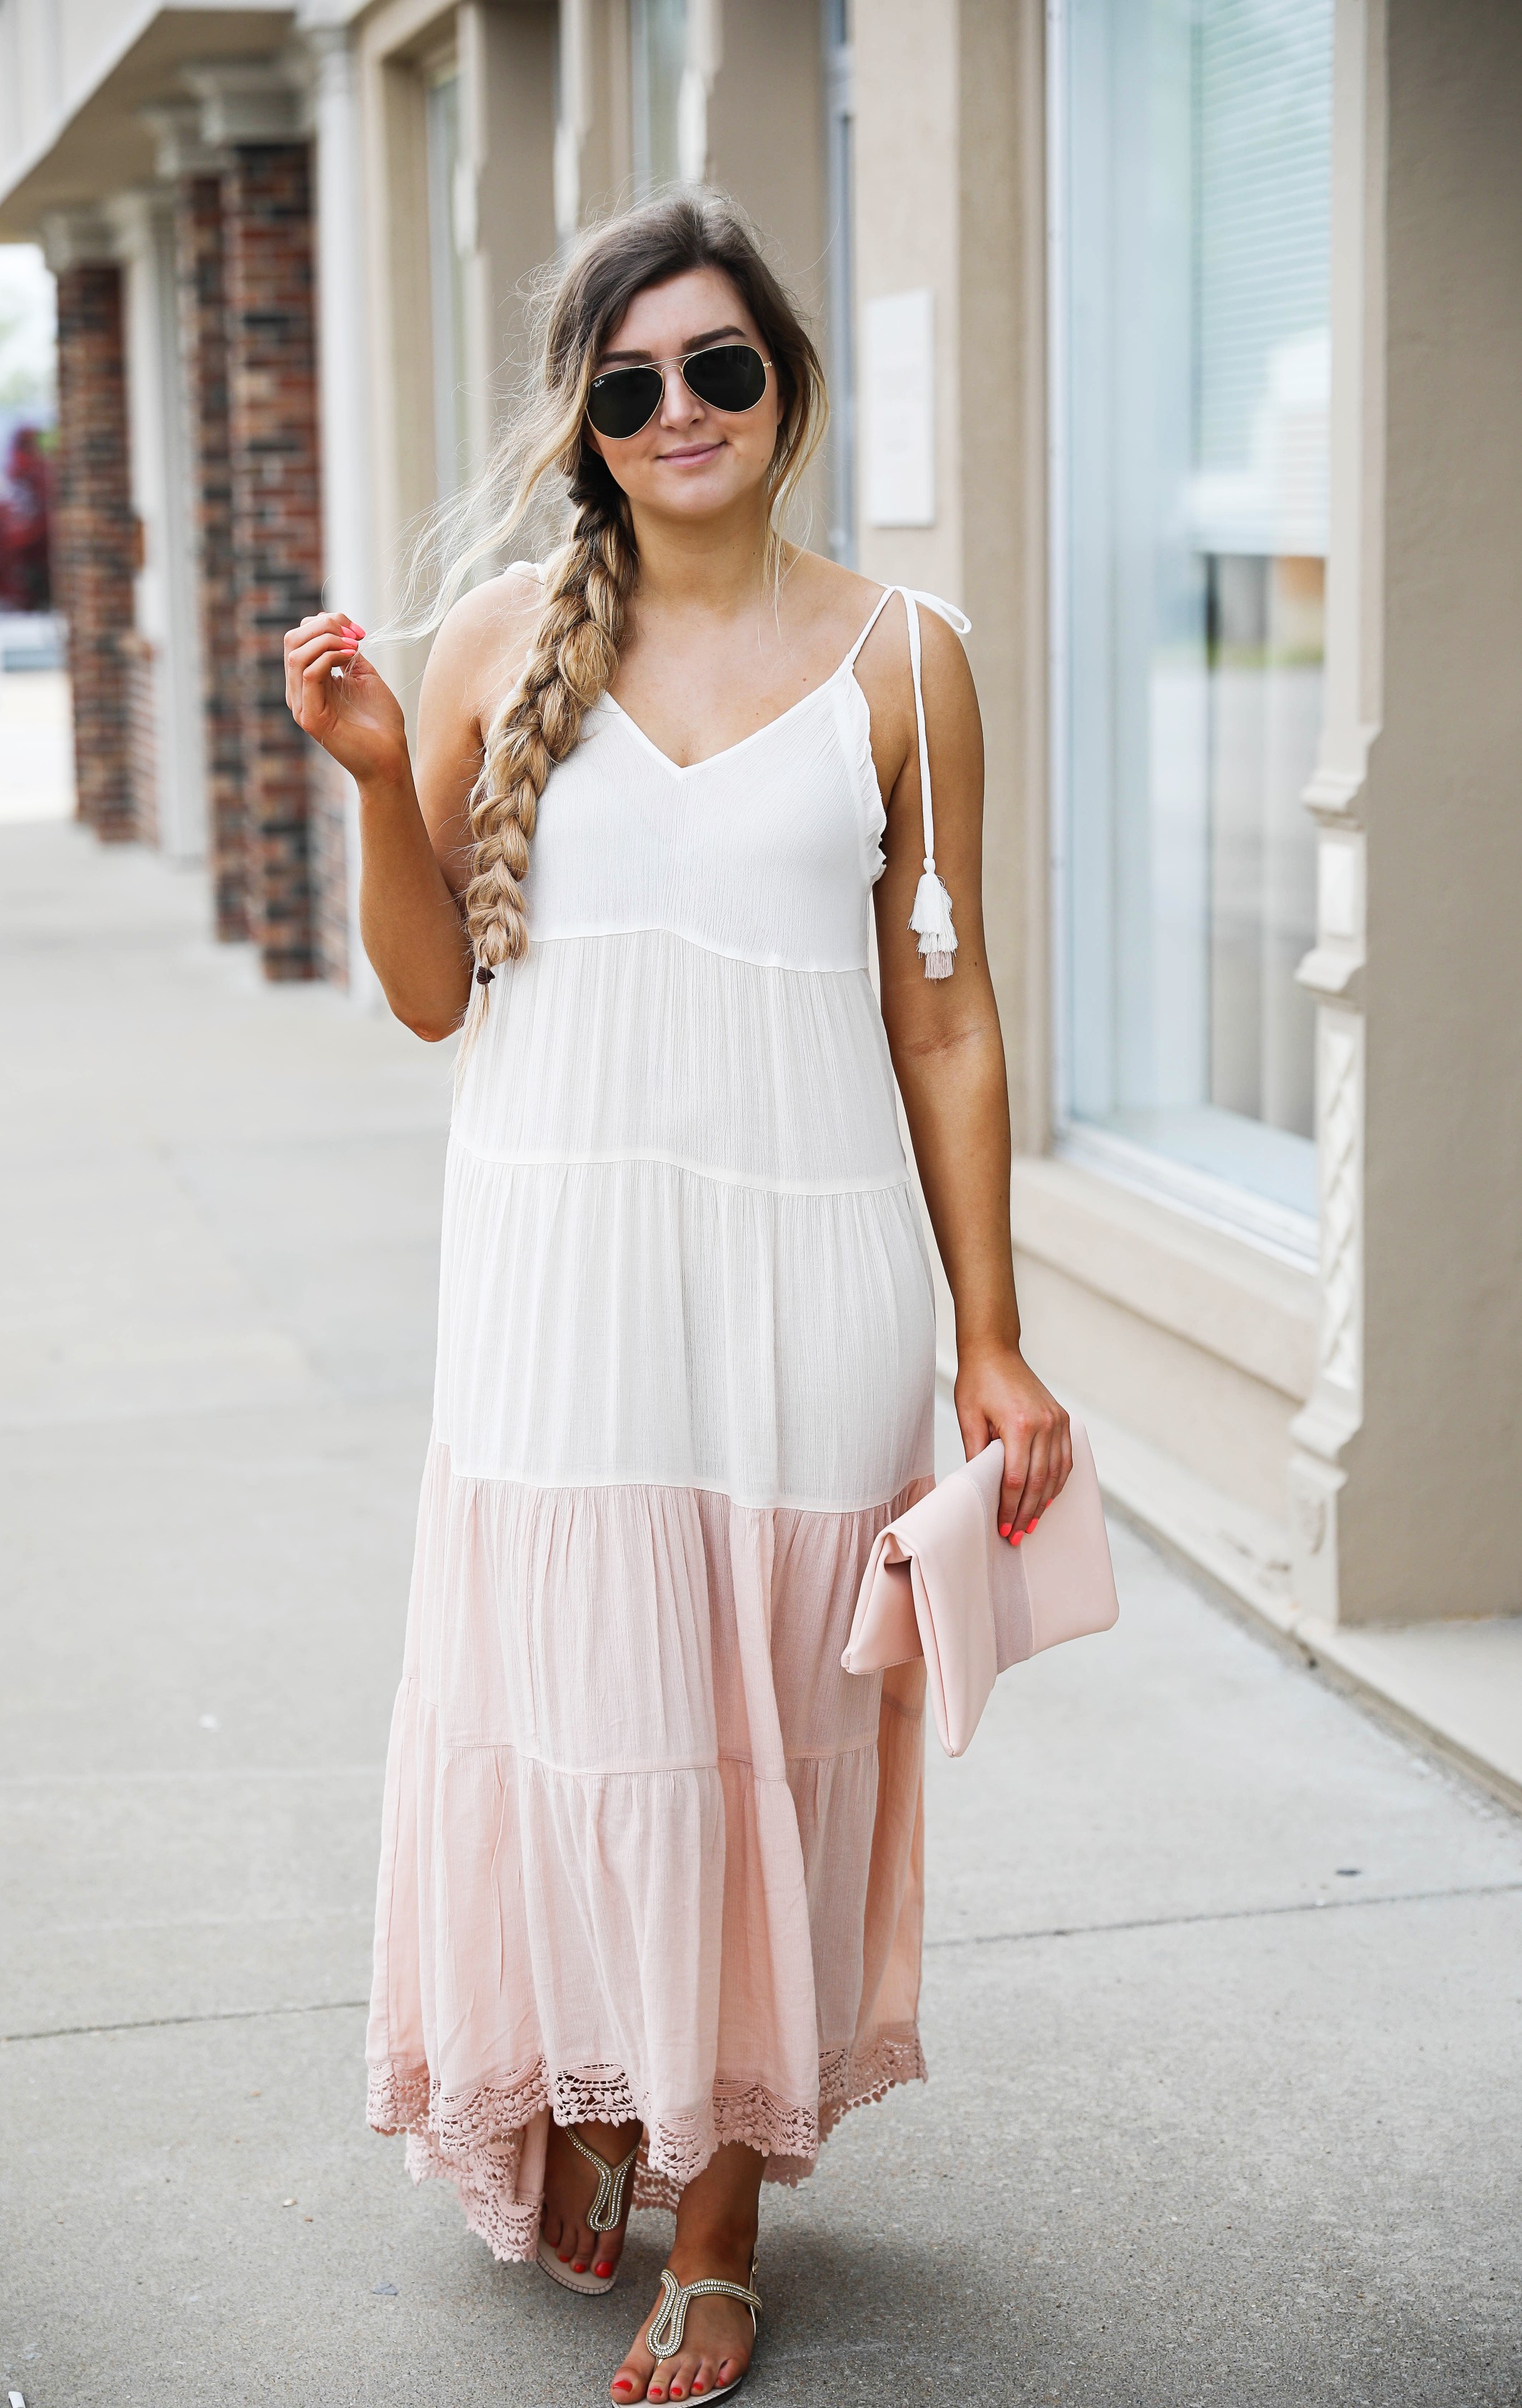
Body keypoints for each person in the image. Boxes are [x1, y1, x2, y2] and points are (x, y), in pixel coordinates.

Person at [283, 190, 1071, 2407]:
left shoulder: (909, 657)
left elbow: (950, 1017)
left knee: (756, 1750)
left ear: (787, 387)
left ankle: (717, 2228)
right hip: (556, 1275)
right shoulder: (485, 646)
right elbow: (437, 997)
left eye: (719, 366)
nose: (680, 411)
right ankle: (602, 2087)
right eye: (631, 385)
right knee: (579, 1725)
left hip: (810, 1279)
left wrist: (989, 1332)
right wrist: (370, 792)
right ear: (588, 422)